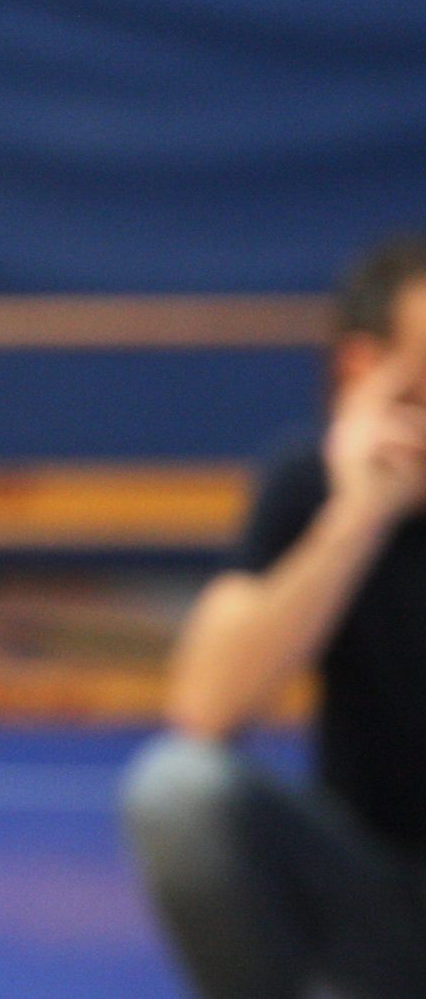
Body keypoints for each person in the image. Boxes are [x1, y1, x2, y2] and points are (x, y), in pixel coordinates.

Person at [122, 237, 426, 999]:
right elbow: (204, 705)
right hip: (374, 894)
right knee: (177, 790)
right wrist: (358, 516)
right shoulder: (309, 486)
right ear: (364, 370)